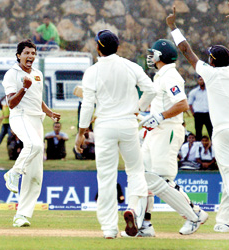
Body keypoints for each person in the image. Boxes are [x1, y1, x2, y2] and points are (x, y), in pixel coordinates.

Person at [166, 2, 229, 233]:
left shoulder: (210, 73)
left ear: (213, 61)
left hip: (224, 132)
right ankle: (224, 221)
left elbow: (186, 50)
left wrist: (173, 27)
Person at [75, 29, 156, 239]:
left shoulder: (91, 72)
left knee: (106, 177)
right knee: (136, 171)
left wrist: (81, 133)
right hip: (128, 124)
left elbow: (87, 105)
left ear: (97, 47)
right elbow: (151, 90)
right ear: (117, 47)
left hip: (104, 126)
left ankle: (109, 228)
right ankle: (133, 209)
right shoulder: (131, 66)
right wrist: (139, 107)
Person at [128, 39, 208, 237]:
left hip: (169, 131)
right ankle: (145, 225)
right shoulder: (160, 75)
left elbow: (182, 104)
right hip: (156, 132)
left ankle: (195, 214)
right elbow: (159, 107)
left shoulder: (171, 75)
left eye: (152, 52)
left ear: (160, 55)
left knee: (160, 179)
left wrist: (160, 117)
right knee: (144, 176)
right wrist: (147, 117)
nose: (150, 55)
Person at [2, 39, 61, 227]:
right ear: (19, 55)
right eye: (27, 53)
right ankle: (13, 173)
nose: (30, 57)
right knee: (34, 145)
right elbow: (11, 103)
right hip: (20, 116)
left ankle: (21, 216)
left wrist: (49, 113)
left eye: (33, 53)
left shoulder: (38, 74)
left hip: (37, 120)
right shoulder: (12, 74)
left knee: (35, 175)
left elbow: (38, 99)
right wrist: (24, 88)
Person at [188, 75, 213, 140]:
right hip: (198, 114)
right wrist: (193, 113)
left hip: (208, 113)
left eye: (203, 79)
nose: (202, 81)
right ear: (198, 81)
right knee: (198, 132)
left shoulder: (210, 91)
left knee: (211, 131)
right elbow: (190, 103)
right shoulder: (194, 92)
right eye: (200, 79)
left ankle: (212, 146)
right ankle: (198, 146)